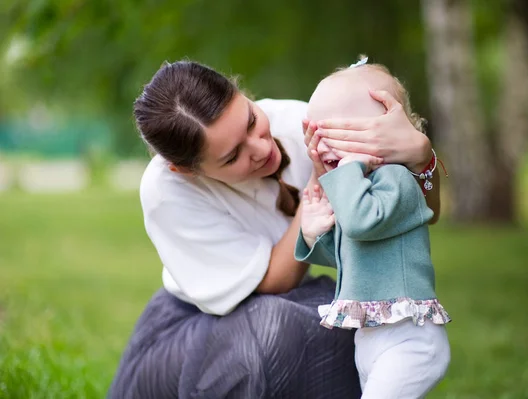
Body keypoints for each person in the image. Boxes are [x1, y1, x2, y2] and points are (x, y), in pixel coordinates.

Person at [108, 59, 441, 398]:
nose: (262, 148)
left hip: (291, 306)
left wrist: (420, 156)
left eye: (252, 121)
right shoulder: (164, 191)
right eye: (232, 155)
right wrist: (320, 181)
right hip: (199, 331)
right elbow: (272, 282)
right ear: (185, 170)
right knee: (276, 328)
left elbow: (415, 213)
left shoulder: (307, 121)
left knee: (355, 317)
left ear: (241, 91)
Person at [295, 58, 451, 399]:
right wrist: (313, 234)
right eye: (316, 134)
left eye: (336, 133)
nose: (320, 147)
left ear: (382, 135)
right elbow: (345, 256)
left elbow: (361, 223)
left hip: (410, 340)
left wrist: (344, 174)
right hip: (371, 339)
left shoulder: (398, 180)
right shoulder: (356, 190)